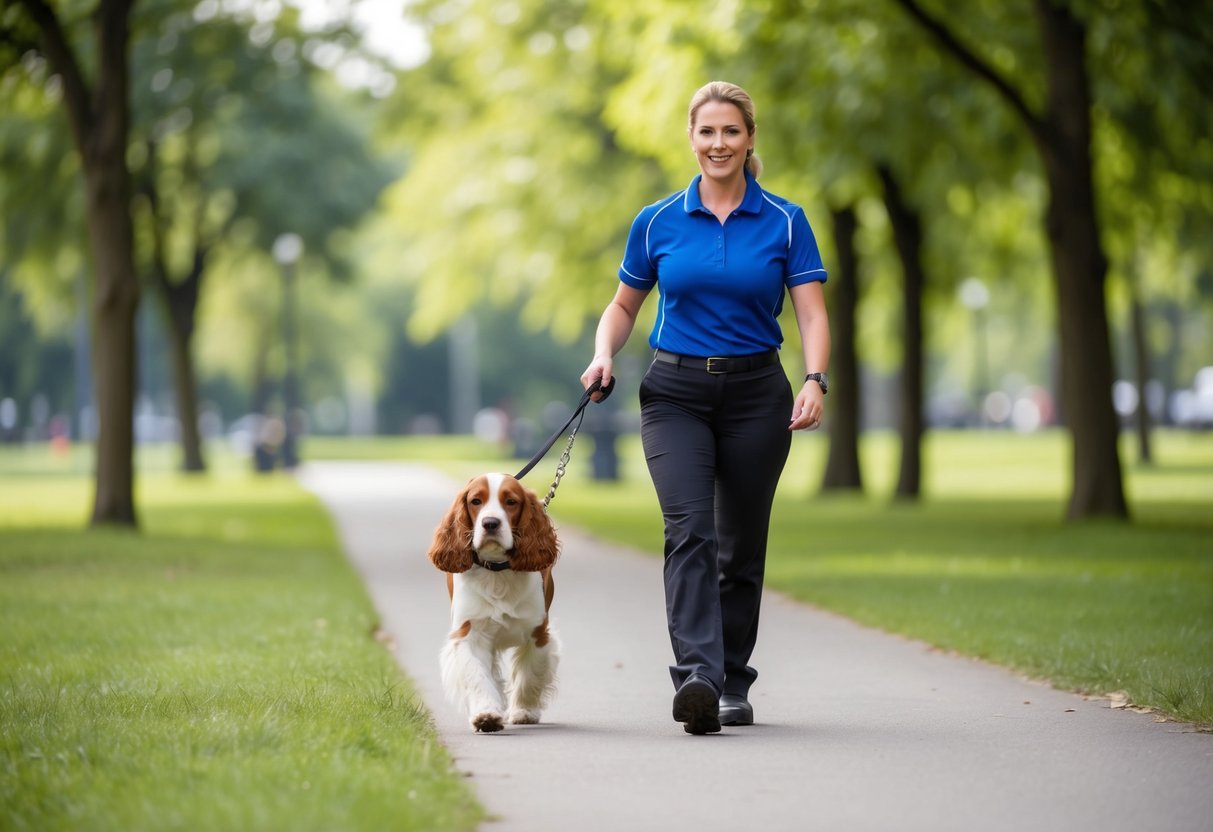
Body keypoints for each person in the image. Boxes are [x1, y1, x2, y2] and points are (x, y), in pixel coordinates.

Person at [581, 80, 831, 735]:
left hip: (756, 395)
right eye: (706, 131)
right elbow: (623, 304)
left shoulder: (784, 220)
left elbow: (811, 310)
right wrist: (604, 352)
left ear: (749, 140)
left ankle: (732, 683)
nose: (717, 143)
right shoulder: (658, 220)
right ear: (690, 139)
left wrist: (814, 379)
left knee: (740, 546)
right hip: (676, 394)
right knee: (689, 529)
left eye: (730, 131)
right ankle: (698, 675)